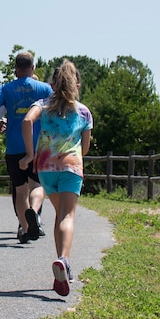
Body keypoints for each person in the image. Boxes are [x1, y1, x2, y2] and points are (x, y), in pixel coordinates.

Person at [21, 60, 94, 297]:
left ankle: (62, 266)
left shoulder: (43, 105)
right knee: (67, 216)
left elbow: (26, 121)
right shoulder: (83, 112)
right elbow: (85, 148)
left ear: (52, 84)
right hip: (71, 168)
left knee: (57, 215)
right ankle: (63, 260)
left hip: (45, 168)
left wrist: (30, 154)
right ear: (77, 85)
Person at [0, 49, 53, 243]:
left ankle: (24, 228)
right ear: (33, 68)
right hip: (39, 146)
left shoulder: (6, 89)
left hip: (14, 146)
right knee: (37, 185)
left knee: (20, 189)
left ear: (15, 69)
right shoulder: (45, 89)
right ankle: (35, 214)